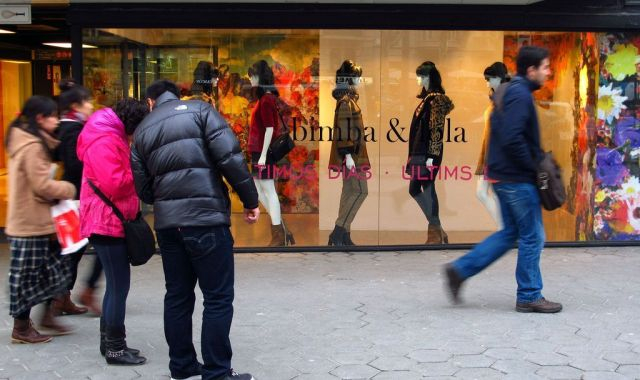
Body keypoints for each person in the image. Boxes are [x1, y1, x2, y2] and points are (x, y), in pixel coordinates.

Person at [130, 79, 259, 380]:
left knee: (177, 295)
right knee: (217, 297)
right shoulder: (201, 111)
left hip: (168, 225)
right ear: (176, 95)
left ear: (151, 102)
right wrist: (250, 200)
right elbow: (230, 158)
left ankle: (182, 365)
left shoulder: (142, 131)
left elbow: (145, 191)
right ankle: (216, 372)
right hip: (206, 220)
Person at [444, 46, 563, 313]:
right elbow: (512, 138)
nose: (548, 72)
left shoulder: (509, 91)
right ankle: (530, 294)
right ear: (531, 70)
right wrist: (534, 167)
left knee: (510, 233)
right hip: (517, 179)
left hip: (504, 177)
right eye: (545, 67)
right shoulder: (520, 95)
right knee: (533, 236)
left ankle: (459, 270)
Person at [77, 98, 149, 365]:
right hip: (106, 221)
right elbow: (115, 184)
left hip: (108, 219)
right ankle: (116, 349)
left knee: (116, 286)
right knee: (119, 287)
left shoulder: (108, 133)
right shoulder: (105, 139)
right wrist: (140, 172)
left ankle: (109, 344)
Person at [6, 96, 77, 343]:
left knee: (52, 271)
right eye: (53, 116)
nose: (57, 120)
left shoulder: (29, 140)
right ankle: (22, 328)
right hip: (30, 223)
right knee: (27, 277)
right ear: (40, 118)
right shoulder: (32, 145)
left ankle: (47, 316)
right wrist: (68, 189)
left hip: (35, 220)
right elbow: (41, 186)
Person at [55, 78, 103, 316]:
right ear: (76, 105)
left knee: (74, 250)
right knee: (85, 248)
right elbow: (75, 165)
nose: (91, 106)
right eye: (87, 102)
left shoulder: (64, 127)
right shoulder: (73, 130)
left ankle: (62, 296)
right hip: (77, 198)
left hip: (73, 198)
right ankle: (65, 295)